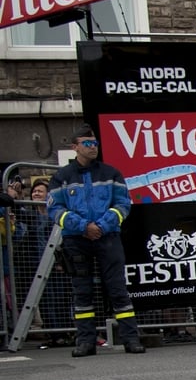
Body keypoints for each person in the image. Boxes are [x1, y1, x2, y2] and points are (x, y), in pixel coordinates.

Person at [47, 124, 145, 357]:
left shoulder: (111, 173)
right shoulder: (61, 177)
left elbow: (123, 205)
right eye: (87, 144)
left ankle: (131, 339)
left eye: (95, 144)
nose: (93, 148)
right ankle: (85, 342)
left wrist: (100, 226)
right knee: (82, 292)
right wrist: (83, 227)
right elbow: (55, 210)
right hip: (76, 240)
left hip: (107, 238)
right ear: (75, 147)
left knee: (118, 289)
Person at [22, 179, 73, 349]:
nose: (36, 194)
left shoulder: (56, 215)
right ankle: (52, 334)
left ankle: (64, 333)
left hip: (57, 266)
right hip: (36, 265)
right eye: (34, 191)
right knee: (45, 302)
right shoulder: (30, 216)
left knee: (59, 300)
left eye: (40, 191)